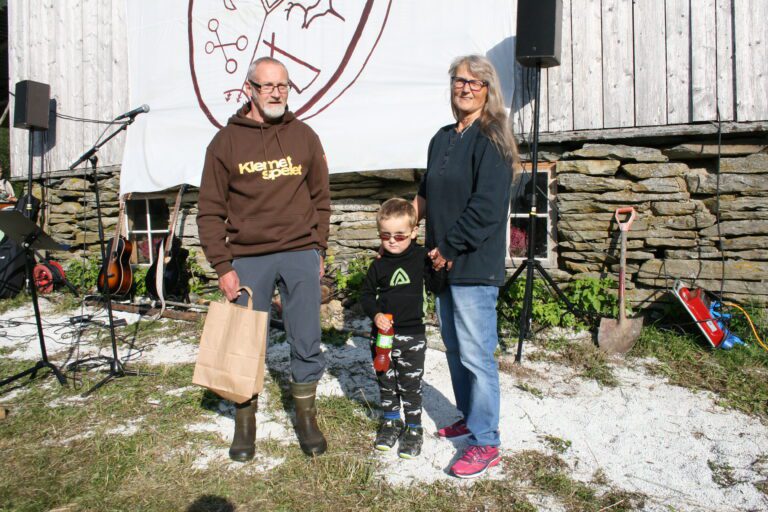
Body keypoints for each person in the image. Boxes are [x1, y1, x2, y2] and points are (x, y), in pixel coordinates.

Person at [197, 56, 331, 461]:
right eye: (268, 86)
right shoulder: (225, 143)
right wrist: (223, 266)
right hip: (248, 257)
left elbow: (321, 198)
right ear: (249, 89)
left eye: (283, 86)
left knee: (306, 336)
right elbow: (208, 210)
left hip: (298, 252)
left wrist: (318, 249)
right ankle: (245, 422)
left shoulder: (304, 136)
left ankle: (306, 418)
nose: (276, 93)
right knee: (244, 341)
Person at [414, 55, 517, 478]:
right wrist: (400, 223)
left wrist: (449, 246)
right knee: (455, 351)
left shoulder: (492, 137)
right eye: (460, 81)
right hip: (443, 265)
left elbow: (488, 207)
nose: (466, 88)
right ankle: (470, 418)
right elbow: (427, 194)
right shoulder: (442, 138)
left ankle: (486, 441)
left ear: (488, 90)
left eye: (476, 83)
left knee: (477, 356)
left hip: (473, 264)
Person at [360, 198, 444, 459]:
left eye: (399, 235)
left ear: (414, 232)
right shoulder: (379, 264)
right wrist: (375, 315)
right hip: (382, 337)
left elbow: (437, 287)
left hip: (413, 336)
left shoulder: (421, 258)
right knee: (386, 380)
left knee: (410, 383)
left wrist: (440, 268)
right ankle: (390, 422)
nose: (392, 240)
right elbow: (364, 294)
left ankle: (414, 427)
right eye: (385, 235)